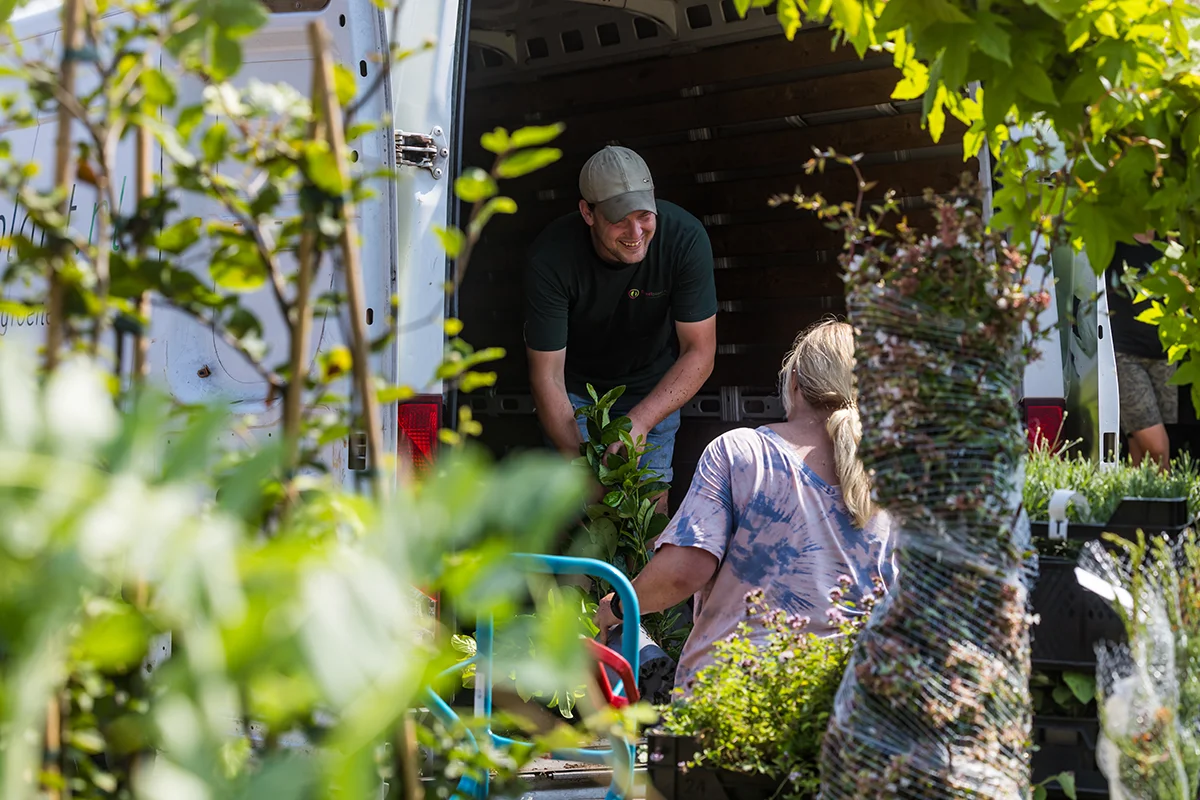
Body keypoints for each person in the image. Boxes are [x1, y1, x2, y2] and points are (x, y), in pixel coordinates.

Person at [593, 320, 894, 691]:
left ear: (795, 380)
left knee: (622, 638)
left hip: (731, 704)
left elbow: (681, 573)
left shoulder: (742, 452)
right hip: (845, 708)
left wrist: (620, 605)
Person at [523, 146, 717, 489]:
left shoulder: (685, 238)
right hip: (577, 396)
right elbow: (547, 376)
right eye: (619, 220)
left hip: (655, 388)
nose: (635, 232)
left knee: (648, 513)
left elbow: (699, 352)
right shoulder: (551, 258)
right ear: (588, 213)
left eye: (644, 215)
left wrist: (639, 423)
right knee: (582, 518)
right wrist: (583, 466)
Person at [1105, 233, 1174, 468]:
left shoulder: (1170, 241)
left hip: (1165, 356)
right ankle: (1171, 501)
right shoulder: (1114, 239)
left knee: (1140, 446)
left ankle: (1138, 501)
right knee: (1158, 447)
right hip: (1125, 355)